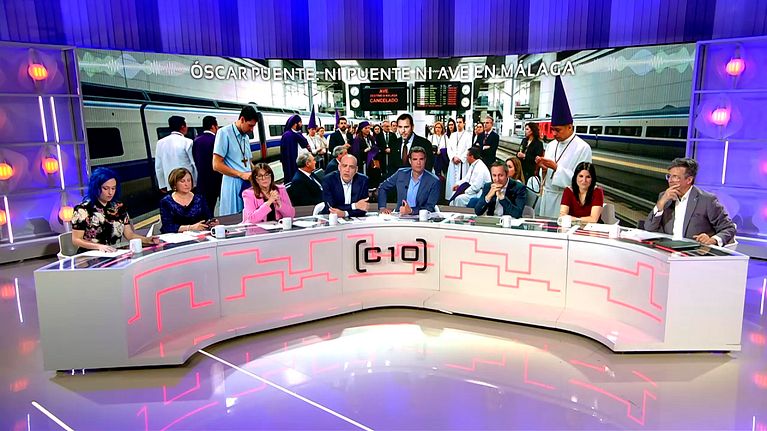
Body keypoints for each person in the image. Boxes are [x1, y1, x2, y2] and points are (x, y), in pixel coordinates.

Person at [535, 76, 592, 218]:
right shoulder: (551, 145)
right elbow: (547, 175)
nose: (554, 134)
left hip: (566, 200)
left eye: (558, 130)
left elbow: (584, 181)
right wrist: (543, 169)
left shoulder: (583, 148)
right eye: (552, 129)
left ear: (570, 127)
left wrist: (556, 168)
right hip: (548, 196)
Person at [644, 158, 736, 245]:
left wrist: (713, 240)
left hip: (695, 253)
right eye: (669, 176)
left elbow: (729, 228)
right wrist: (661, 203)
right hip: (668, 250)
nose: (670, 181)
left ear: (689, 180)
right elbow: (649, 228)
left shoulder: (706, 200)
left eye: (675, 177)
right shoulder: (665, 197)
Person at [71, 167, 159, 253]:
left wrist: (146, 240)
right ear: (96, 188)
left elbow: (129, 235)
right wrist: (99, 246)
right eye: (106, 188)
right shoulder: (82, 210)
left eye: (113, 188)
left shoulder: (119, 207)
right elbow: (76, 240)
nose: (110, 192)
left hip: (114, 253)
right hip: (90, 256)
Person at [213, 106, 258, 216]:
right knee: (234, 216)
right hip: (232, 183)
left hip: (247, 183)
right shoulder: (224, 133)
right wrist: (240, 174)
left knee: (249, 215)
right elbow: (216, 165)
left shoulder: (245, 137)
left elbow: (248, 161)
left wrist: (258, 171)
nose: (252, 129)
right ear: (242, 119)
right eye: (250, 125)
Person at [378, 146, 440, 214]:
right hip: (400, 216)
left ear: (425, 160)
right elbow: (383, 187)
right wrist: (382, 207)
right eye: (415, 159)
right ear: (410, 161)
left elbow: (429, 207)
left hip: (421, 217)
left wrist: (411, 210)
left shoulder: (434, 181)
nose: (418, 163)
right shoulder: (401, 174)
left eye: (421, 159)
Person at [159, 167, 217, 233]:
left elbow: (208, 217)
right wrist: (191, 227)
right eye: (182, 181)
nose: (187, 184)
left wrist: (211, 222)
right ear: (174, 184)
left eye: (189, 180)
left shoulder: (199, 198)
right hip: (176, 236)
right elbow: (167, 227)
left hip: (199, 234)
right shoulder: (166, 202)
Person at [155, 115, 197, 192]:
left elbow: (159, 166)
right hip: (187, 183)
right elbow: (193, 163)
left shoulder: (160, 143)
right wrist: (195, 182)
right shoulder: (188, 142)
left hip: (170, 183)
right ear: (182, 127)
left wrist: (162, 184)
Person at [192, 115, 222, 215]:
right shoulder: (216, 140)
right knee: (217, 204)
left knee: (206, 206)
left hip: (202, 180)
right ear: (213, 126)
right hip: (216, 179)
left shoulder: (196, 140)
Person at [445, 116, 472, 200]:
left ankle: (460, 198)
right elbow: (449, 148)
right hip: (453, 162)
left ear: (464, 123)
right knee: (452, 180)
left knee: (462, 179)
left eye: (460, 122)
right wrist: (453, 157)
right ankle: (450, 197)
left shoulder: (468, 135)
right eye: (457, 122)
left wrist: (460, 158)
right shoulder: (453, 135)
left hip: (462, 163)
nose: (458, 124)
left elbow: (468, 148)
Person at [280, 114, 309, 185]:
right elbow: (287, 154)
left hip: (301, 162)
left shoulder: (298, 134)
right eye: (300, 122)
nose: (301, 124)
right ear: (295, 124)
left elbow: (305, 144)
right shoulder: (287, 136)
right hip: (292, 163)